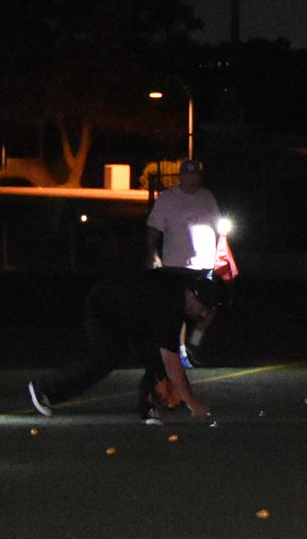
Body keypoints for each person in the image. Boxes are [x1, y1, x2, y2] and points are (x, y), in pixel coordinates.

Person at [27, 269, 221, 423]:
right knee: (105, 357)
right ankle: (44, 388)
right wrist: (193, 403)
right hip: (106, 307)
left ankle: (149, 405)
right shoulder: (169, 307)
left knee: (155, 356)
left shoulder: (181, 291)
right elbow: (172, 363)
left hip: (135, 316)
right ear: (192, 296)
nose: (203, 315)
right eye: (202, 309)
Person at [144, 158, 227, 350]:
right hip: (176, 265)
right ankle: (179, 349)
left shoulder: (207, 197)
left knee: (210, 305)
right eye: (187, 176)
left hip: (205, 265)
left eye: (195, 176)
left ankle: (194, 342)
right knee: (179, 306)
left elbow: (218, 225)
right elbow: (153, 228)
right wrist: (153, 252)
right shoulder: (167, 198)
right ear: (180, 177)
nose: (192, 180)